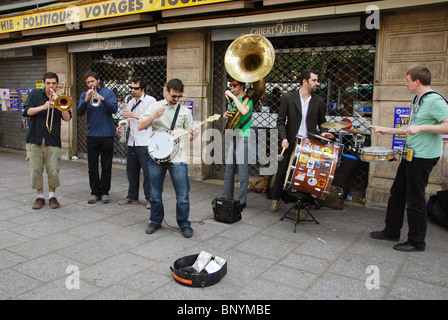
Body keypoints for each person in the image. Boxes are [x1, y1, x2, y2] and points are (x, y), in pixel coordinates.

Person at [370, 66, 448, 252]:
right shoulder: (417, 99)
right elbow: (411, 127)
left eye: (407, 80)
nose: (405, 84)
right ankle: (391, 231)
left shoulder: (435, 101)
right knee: (397, 193)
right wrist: (386, 130)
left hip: (423, 157)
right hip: (411, 154)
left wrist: (422, 128)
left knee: (415, 200)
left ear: (417, 82)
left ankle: (416, 241)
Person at [138, 78, 198, 238]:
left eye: (179, 97)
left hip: (177, 157)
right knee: (155, 193)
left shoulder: (185, 112)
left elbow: (190, 137)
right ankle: (155, 221)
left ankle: (184, 223)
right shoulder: (155, 106)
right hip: (157, 157)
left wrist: (194, 134)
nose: (176, 99)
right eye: (173, 96)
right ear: (166, 91)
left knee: (183, 195)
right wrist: (153, 116)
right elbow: (140, 126)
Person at [269, 69, 334, 213]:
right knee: (281, 172)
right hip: (292, 141)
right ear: (305, 81)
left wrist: (324, 132)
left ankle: (301, 206)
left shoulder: (319, 101)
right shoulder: (288, 98)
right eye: (314, 80)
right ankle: (276, 199)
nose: (317, 83)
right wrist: (283, 138)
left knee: (305, 175)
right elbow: (280, 121)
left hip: (309, 144)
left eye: (317, 80)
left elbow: (322, 122)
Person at [22, 72, 71, 209]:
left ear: (57, 84)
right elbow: (26, 112)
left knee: (53, 170)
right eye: (48, 83)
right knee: (35, 170)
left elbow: (67, 118)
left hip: (52, 140)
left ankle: (52, 196)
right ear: (44, 83)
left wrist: (60, 104)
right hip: (34, 139)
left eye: (53, 83)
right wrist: (44, 106)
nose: (51, 86)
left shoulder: (61, 98)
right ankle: (40, 197)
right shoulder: (34, 94)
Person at [77, 70, 118, 204]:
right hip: (92, 135)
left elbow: (114, 109)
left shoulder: (108, 93)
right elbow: (80, 112)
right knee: (92, 166)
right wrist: (86, 100)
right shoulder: (85, 94)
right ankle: (94, 192)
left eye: (92, 81)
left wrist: (102, 99)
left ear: (98, 80)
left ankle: (105, 192)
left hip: (107, 134)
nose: (90, 84)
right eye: (88, 82)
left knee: (106, 166)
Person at [117, 77, 156, 209]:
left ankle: (150, 198)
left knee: (147, 172)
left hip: (145, 141)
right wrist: (124, 125)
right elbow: (129, 120)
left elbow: (152, 119)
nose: (133, 90)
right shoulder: (130, 101)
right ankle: (132, 196)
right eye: (131, 88)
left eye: (136, 88)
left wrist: (134, 115)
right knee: (131, 171)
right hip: (132, 141)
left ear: (142, 89)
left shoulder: (151, 101)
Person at [222, 78, 253, 209]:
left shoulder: (248, 100)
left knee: (242, 170)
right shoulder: (235, 101)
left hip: (243, 137)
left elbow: (244, 111)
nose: (232, 87)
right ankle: (227, 197)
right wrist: (227, 114)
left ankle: (242, 201)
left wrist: (233, 97)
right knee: (229, 169)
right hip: (233, 136)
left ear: (242, 86)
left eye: (235, 85)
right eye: (231, 85)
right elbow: (234, 116)